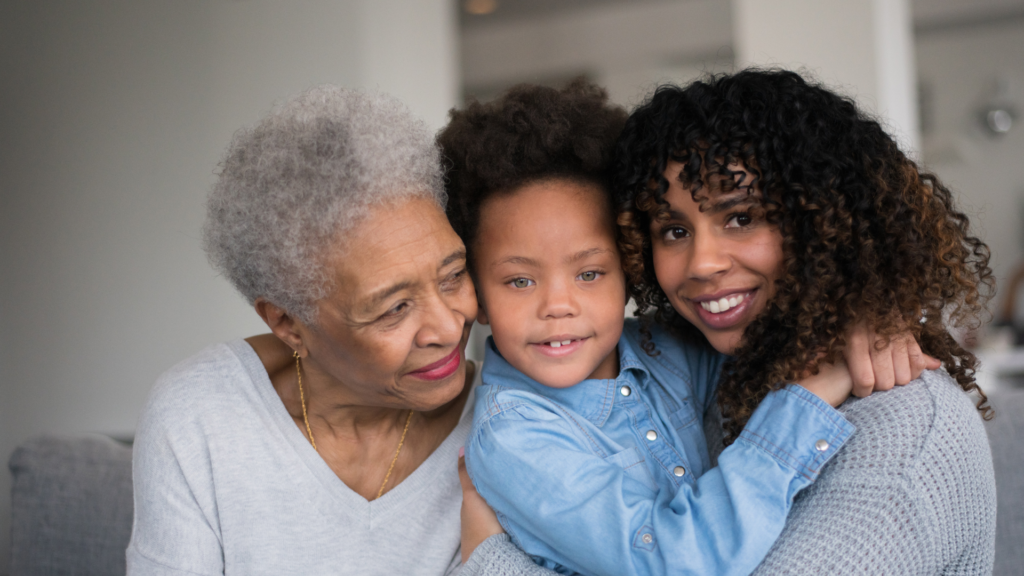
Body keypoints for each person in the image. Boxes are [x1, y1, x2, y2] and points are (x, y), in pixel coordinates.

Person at [440, 79, 936, 576]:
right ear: (476, 295)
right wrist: (808, 398)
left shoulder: (668, 349)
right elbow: (677, 561)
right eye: (520, 280)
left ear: (631, 269)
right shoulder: (512, 437)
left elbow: (784, 334)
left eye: (589, 273)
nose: (557, 306)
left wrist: (866, 312)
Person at [126, 86, 560, 575]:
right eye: (394, 308)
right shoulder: (200, 417)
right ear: (288, 323)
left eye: (453, 275)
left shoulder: (518, 422)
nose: (449, 325)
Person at [613, 69, 997, 574]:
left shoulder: (901, 431)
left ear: (825, 222)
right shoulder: (712, 376)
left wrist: (491, 555)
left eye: (741, 217)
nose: (701, 262)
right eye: (675, 229)